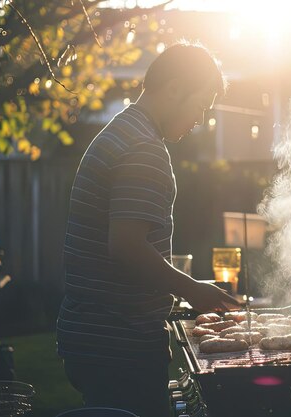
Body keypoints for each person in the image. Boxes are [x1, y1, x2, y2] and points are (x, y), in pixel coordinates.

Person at [56, 42, 240, 417]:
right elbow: (125, 245)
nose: (200, 120)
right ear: (173, 89)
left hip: (92, 335)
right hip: (116, 342)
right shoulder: (143, 147)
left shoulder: (123, 131)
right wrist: (192, 290)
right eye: (200, 106)